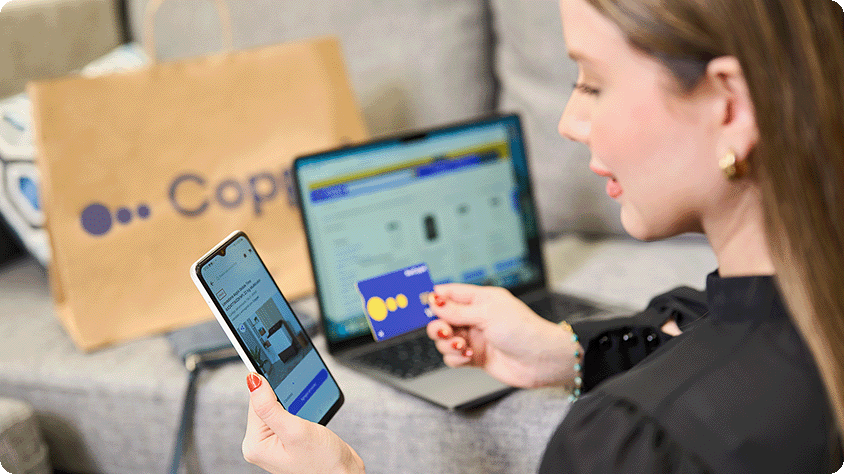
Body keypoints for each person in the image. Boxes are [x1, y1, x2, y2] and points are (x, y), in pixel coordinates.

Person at [239, 0, 844, 472]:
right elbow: (710, 340)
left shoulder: (629, 446)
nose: (568, 122)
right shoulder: (812, 316)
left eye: (593, 83)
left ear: (730, 106)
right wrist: (565, 352)